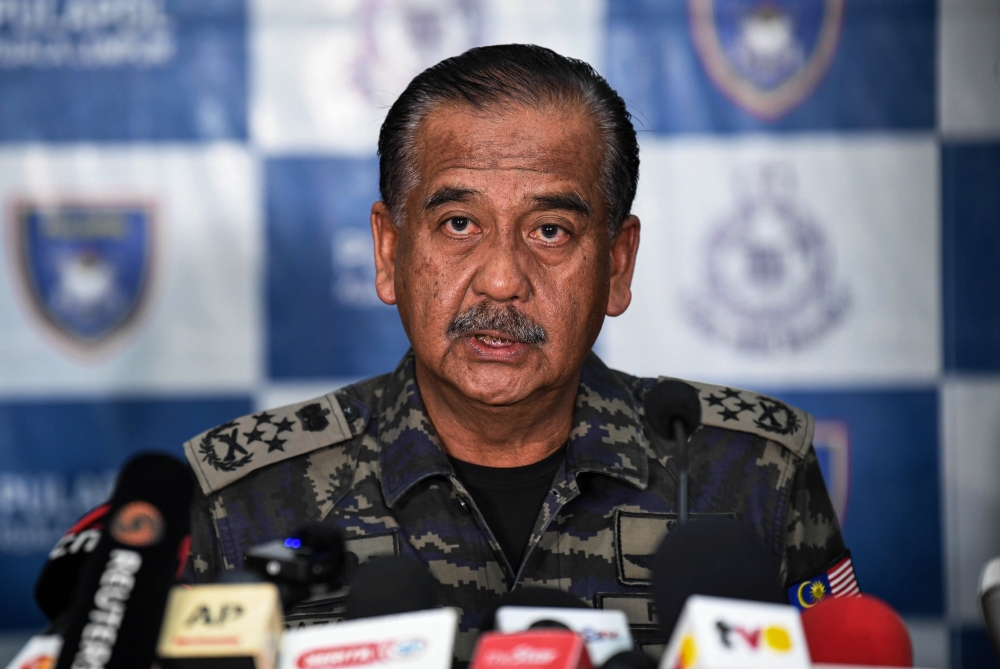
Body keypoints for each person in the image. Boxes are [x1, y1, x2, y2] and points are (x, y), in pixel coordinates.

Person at [183, 44, 851, 658]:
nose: (502, 277)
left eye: (551, 230)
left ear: (617, 264)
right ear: (389, 251)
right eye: (459, 224)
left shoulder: (755, 472)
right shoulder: (245, 500)